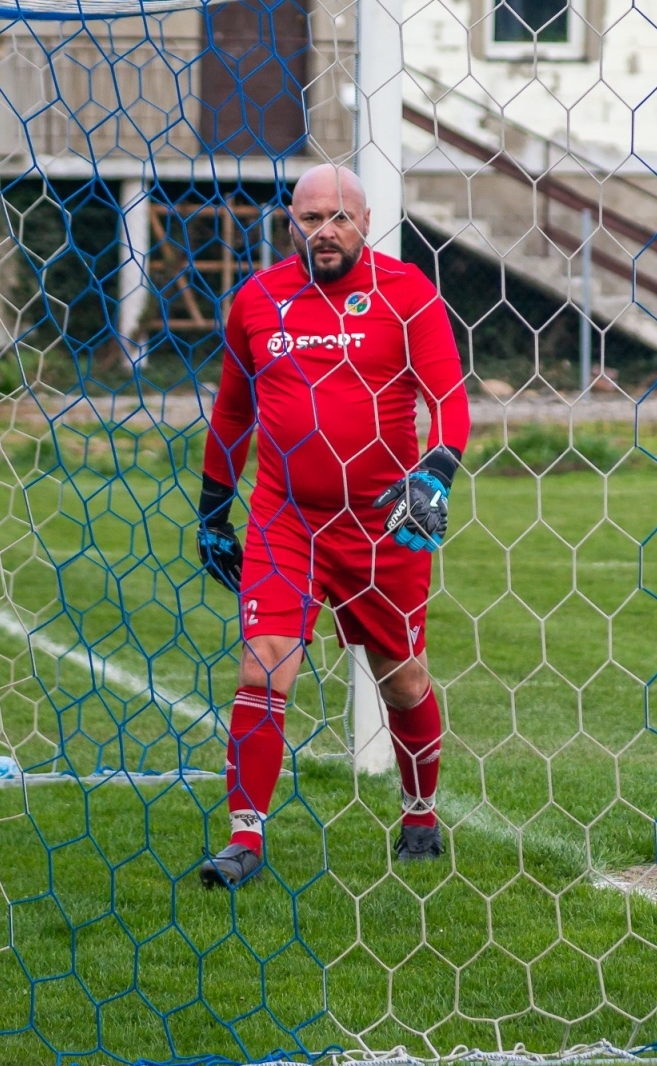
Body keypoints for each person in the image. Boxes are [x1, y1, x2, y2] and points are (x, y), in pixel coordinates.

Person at [195, 164, 471, 888]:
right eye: (310, 218)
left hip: (384, 525)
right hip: (285, 518)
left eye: (338, 218)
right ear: (290, 224)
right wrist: (212, 509)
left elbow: (448, 395)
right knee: (263, 664)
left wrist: (435, 473)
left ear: (365, 219)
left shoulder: (407, 293)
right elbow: (231, 411)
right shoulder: (257, 300)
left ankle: (418, 814)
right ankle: (244, 839)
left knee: (402, 680)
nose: (325, 231)